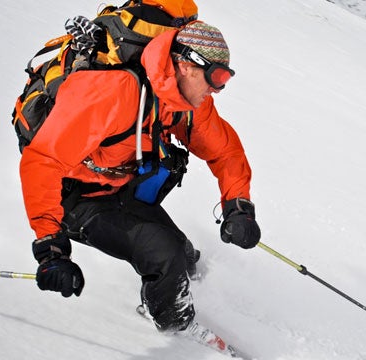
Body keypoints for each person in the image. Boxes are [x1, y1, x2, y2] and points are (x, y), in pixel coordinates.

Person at [20, 20, 261, 335]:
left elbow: (225, 151)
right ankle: (177, 331)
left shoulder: (183, 101)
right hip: (75, 197)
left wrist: (237, 206)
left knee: (184, 256)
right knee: (165, 257)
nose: (217, 89)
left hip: (119, 189)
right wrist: (51, 248)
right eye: (216, 77)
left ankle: (183, 297)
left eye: (225, 79)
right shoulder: (114, 93)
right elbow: (42, 161)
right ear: (187, 65)